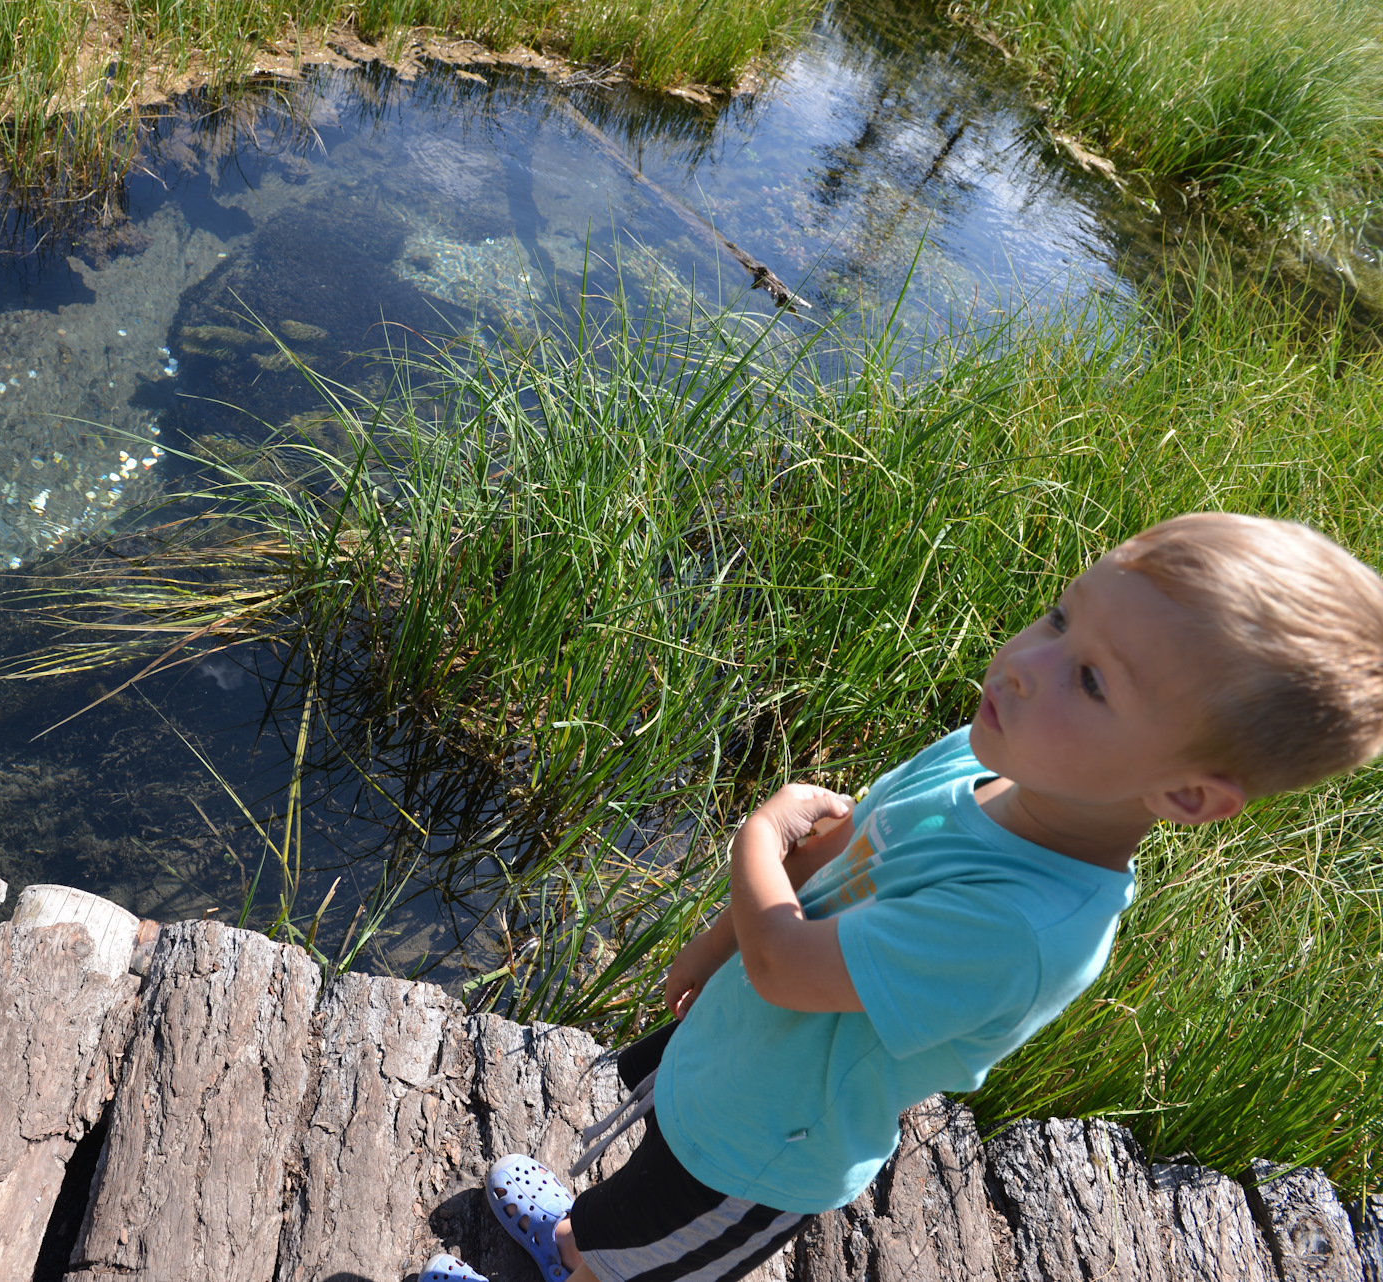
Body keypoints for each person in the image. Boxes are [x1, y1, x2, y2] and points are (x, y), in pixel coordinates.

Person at [423, 512, 1383, 1282]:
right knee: (628, 1198)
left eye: (1090, 680)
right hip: (730, 1057)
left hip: (759, 1148)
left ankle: (584, 1266)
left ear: (1183, 794)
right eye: (1059, 616)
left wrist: (753, 836)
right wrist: (717, 947)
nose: (1022, 662)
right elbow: (831, 852)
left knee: (645, 1252)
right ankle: (578, 1243)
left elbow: (790, 960)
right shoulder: (981, 753)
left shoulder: (1022, 927)